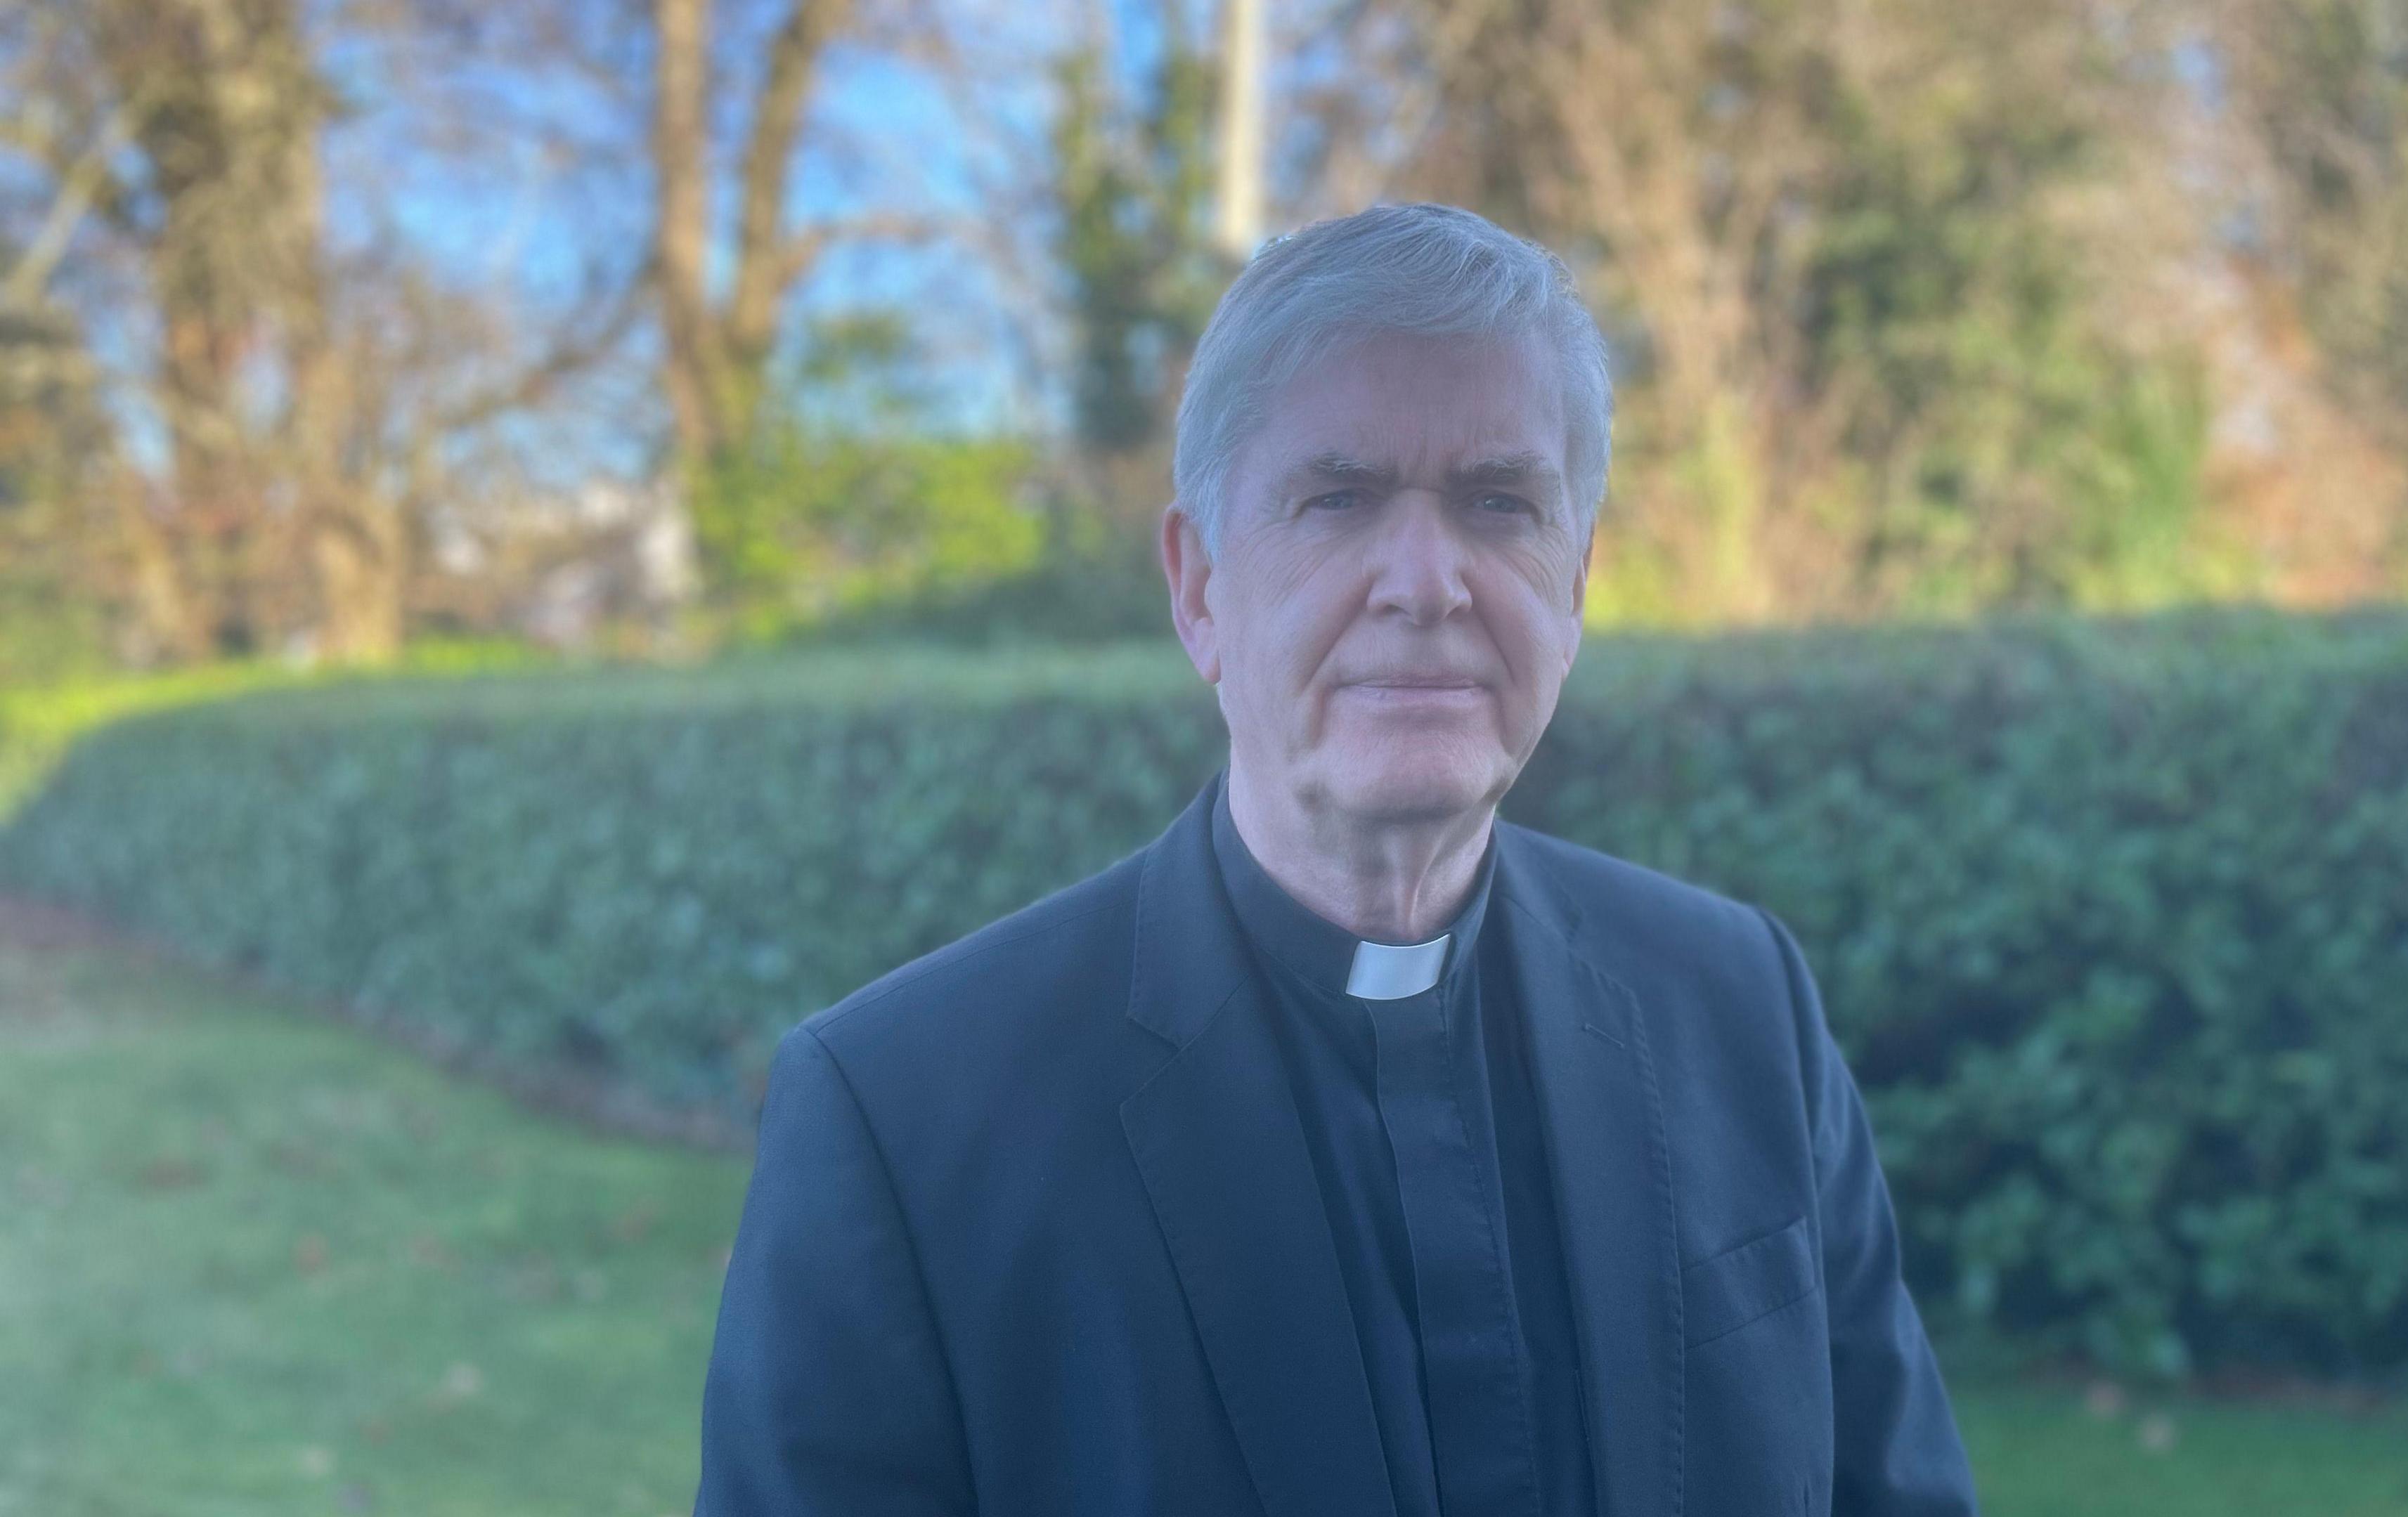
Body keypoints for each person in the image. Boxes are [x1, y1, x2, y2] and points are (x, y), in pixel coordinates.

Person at [692, 201, 1978, 1517]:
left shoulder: (1737, 1001)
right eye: (1338, 498)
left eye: (1499, 502)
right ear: (1199, 589)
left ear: (1575, 582)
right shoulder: (905, 1117)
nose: (1427, 581)